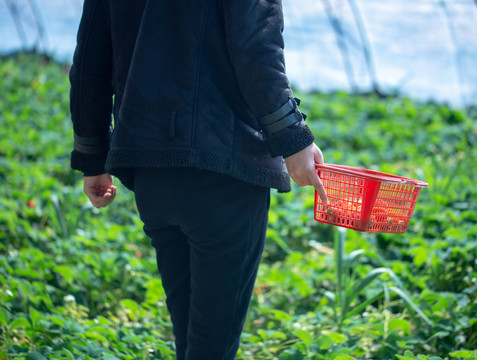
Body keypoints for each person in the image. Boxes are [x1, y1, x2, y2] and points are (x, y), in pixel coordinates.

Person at [69, 0, 328, 359]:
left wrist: (92, 156)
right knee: (211, 349)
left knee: (191, 343)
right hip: (225, 172)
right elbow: (256, 46)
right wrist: (293, 138)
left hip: (150, 170)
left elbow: (90, 58)